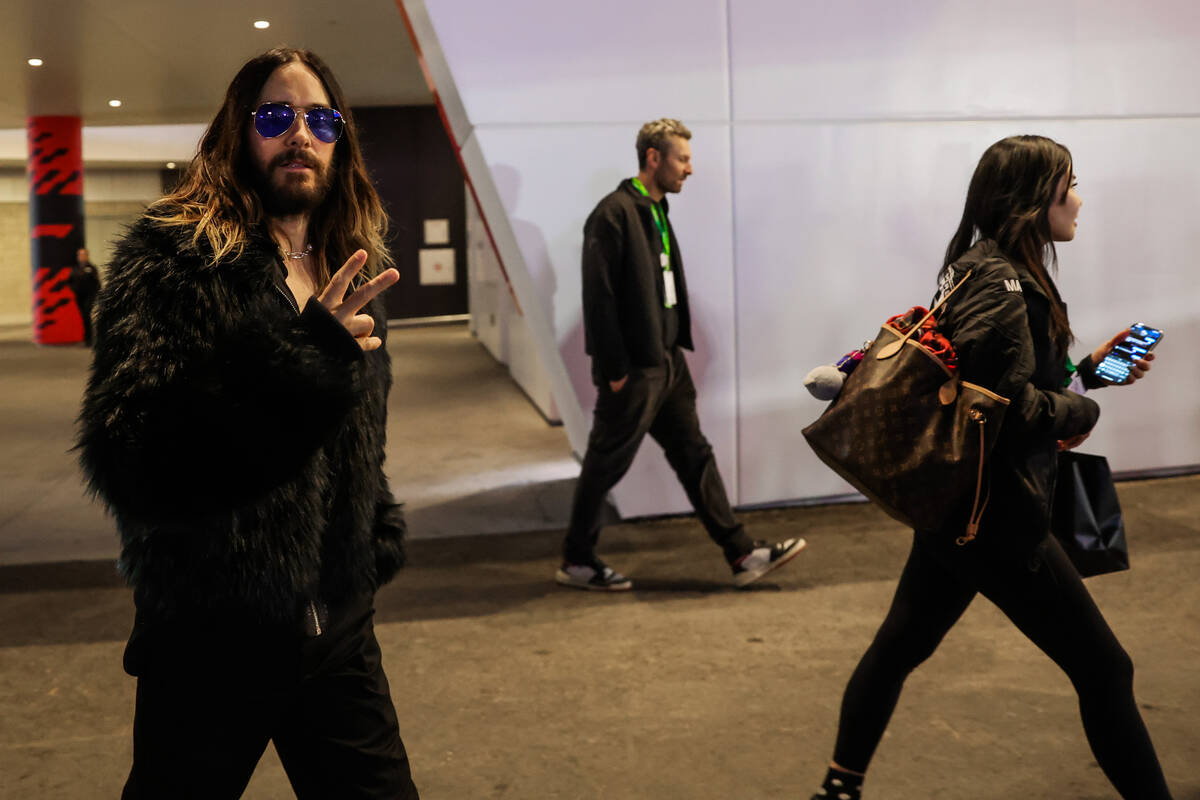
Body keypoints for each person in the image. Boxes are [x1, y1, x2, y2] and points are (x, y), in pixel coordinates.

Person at [77, 48, 419, 799]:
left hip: (337, 626)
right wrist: (300, 363)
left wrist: (370, 534)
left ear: (341, 142)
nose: (300, 133)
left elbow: (358, 437)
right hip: (211, 632)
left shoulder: (352, 270)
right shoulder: (176, 260)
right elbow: (129, 455)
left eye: (320, 119)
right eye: (275, 116)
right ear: (238, 132)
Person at [809, 135, 1173, 800]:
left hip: (958, 505)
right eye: (1070, 186)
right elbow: (1009, 410)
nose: (1079, 200)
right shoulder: (1006, 284)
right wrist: (1082, 410)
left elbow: (1004, 385)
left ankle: (838, 790)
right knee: (1105, 670)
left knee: (899, 647)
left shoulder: (976, 268)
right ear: (1036, 200)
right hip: (997, 517)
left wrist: (1090, 375)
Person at [557, 118, 806, 591]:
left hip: (667, 365)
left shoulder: (657, 209)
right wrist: (613, 370)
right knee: (606, 463)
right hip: (633, 370)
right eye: (683, 159)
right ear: (654, 158)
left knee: (695, 456)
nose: (690, 169)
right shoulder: (613, 214)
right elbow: (599, 298)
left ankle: (741, 554)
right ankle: (577, 560)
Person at [68, 247, 101, 346]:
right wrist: (74, 289)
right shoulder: (75, 269)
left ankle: (89, 338)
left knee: (87, 315)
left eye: (83, 255)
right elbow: (70, 281)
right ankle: (87, 337)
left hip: (90, 296)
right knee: (84, 316)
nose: (81, 257)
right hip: (79, 296)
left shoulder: (91, 268)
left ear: (87, 256)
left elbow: (97, 283)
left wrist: (96, 294)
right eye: (79, 255)